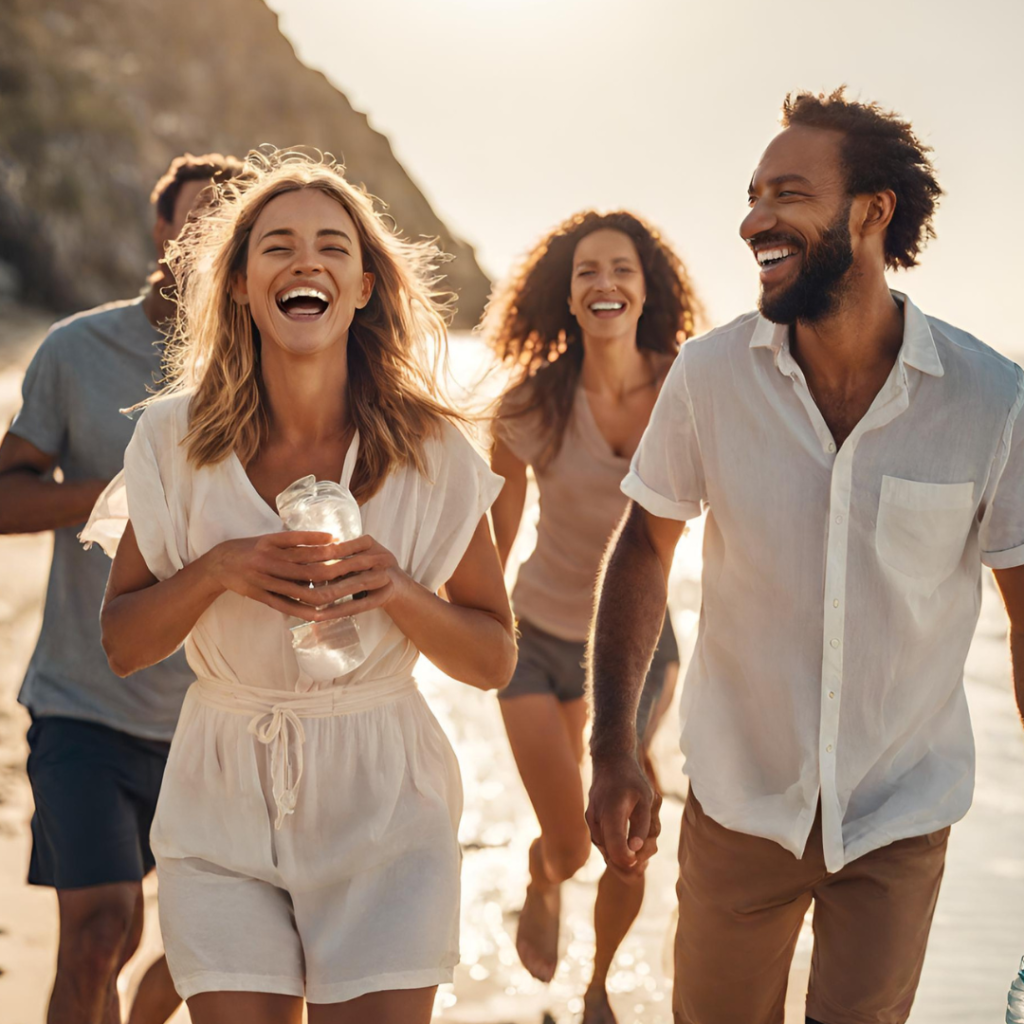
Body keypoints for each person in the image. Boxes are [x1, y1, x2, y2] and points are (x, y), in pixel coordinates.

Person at [586, 88, 1024, 1024]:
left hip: (899, 819)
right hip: (739, 806)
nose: (756, 219)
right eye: (752, 194)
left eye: (788, 192)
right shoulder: (709, 378)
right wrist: (614, 748)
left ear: (874, 211)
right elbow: (644, 550)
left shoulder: (992, 401)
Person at [83, 149, 517, 1024]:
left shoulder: (432, 452)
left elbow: (494, 658)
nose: (305, 261)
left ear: (362, 287)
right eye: (276, 246)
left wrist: (396, 588)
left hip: (387, 804)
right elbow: (124, 643)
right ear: (240, 284)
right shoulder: (173, 439)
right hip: (222, 793)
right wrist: (218, 571)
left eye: (331, 245)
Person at [0, 151, 244, 1024]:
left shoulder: (258, 365)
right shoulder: (78, 349)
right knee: (101, 931)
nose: (209, 234)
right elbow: (7, 493)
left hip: (219, 716)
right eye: (195, 217)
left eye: (232, 221)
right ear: (160, 228)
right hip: (84, 700)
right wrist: (120, 498)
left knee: (206, 949)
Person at [485, 210, 700, 1021]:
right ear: (567, 298)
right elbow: (494, 546)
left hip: (642, 648)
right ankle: (543, 879)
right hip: (535, 641)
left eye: (621, 269)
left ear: (650, 290)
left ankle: (599, 982)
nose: (604, 283)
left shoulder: (688, 390)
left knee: (628, 841)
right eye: (586, 273)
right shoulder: (533, 406)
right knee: (572, 843)